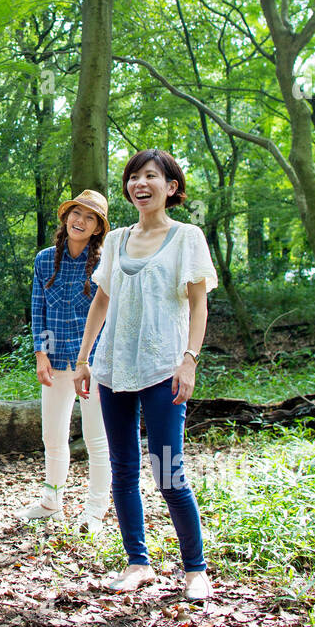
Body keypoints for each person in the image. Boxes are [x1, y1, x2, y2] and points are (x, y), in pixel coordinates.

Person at [73, 149, 217, 602]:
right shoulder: (114, 240)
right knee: (123, 468)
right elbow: (101, 300)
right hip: (114, 367)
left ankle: (195, 569)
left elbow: (198, 304)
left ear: (170, 187)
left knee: (168, 470)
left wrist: (189, 359)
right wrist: (83, 359)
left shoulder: (187, 236)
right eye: (134, 176)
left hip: (163, 369)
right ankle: (138, 562)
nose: (140, 183)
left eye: (150, 176)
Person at [26, 189, 111, 534]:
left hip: (92, 364)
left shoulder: (106, 263)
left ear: (97, 229)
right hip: (56, 361)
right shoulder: (45, 259)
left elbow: (109, 314)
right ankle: (52, 501)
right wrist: (41, 354)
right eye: (77, 213)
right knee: (53, 434)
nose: (81, 221)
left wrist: (88, 360)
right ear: (66, 217)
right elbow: (39, 308)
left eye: (90, 218)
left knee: (96, 438)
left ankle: (96, 508)